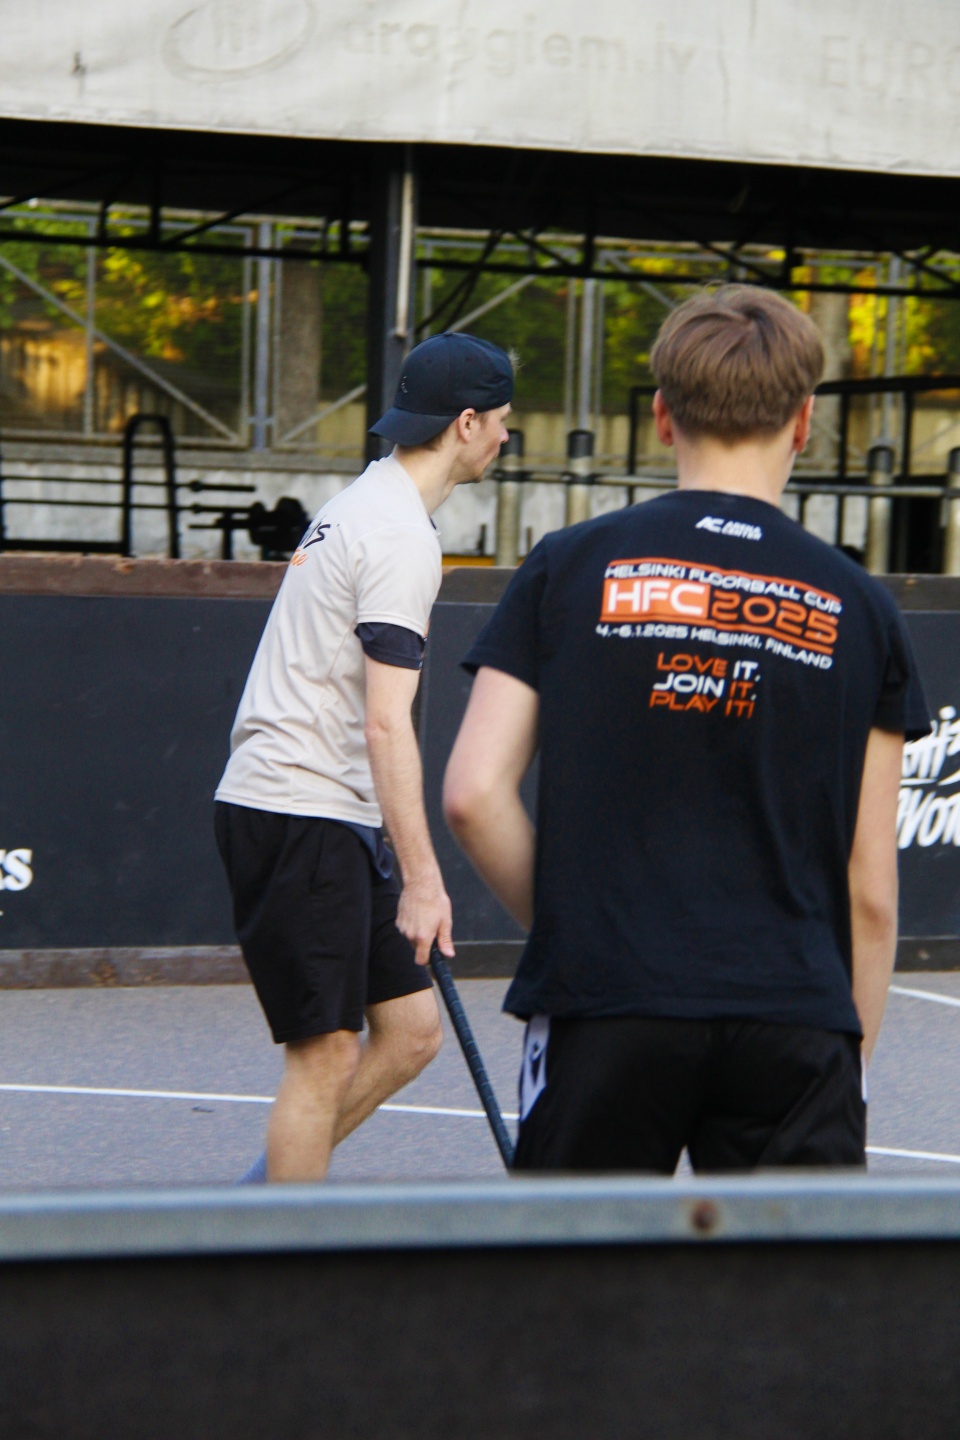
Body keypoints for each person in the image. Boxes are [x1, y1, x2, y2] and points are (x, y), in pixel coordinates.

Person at [443, 286, 930, 1174]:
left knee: (577, 1260)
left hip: (608, 999)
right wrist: (848, 1059)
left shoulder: (569, 565)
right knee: (790, 1267)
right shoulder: (861, 606)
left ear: (662, 415)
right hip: (794, 1010)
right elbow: (871, 888)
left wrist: (579, 926)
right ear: (804, 423)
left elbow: (474, 794)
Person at [215, 331, 513, 1182]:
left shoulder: (370, 500)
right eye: (500, 421)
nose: (504, 437)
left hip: (327, 809)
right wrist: (423, 878)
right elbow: (388, 723)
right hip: (297, 808)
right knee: (325, 1057)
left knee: (411, 1033)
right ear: (465, 424)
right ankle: (277, 1249)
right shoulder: (397, 535)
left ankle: (256, 1205)